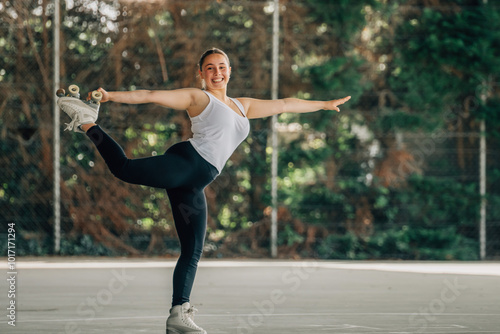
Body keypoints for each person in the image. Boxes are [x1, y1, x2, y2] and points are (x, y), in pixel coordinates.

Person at [57, 48, 351, 334]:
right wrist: (110, 96)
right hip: (186, 163)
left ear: (230, 71)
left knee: (193, 249)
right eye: (210, 68)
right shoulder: (199, 98)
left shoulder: (243, 106)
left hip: (195, 181)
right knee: (123, 168)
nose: (217, 72)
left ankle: (178, 315)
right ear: (201, 73)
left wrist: (323, 104)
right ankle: (86, 121)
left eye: (222, 67)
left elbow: (285, 104)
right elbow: (149, 96)